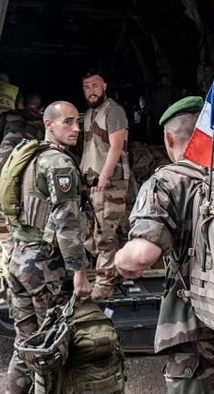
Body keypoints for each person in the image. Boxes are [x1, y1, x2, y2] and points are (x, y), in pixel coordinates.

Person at [114, 96, 214, 394]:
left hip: (196, 326)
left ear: (169, 138)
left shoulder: (166, 182)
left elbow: (142, 255)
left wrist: (119, 261)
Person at [5, 101, 92, 394]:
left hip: (19, 260)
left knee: (25, 345)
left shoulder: (27, 157)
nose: (76, 128)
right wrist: (79, 272)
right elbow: (67, 222)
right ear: (49, 124)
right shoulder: (58, 162)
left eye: (77, 122)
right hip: (45, 269)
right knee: (51, 350)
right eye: (68, 122)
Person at [80, 70, 131, 301]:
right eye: (87, 87)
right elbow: (88, 147)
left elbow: (116, 146)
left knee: (105, 235)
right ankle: (116, 273)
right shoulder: (90, 113)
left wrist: (104, 177)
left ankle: (103, 285)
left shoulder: (113, 111)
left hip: (109, 182)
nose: (91, 90)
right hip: (92, 181)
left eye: (95, 85)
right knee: (92, 233)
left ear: (105, 86)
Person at [0, 93, 45, 187]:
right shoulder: (44, 123)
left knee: (0, 192)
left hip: (3, 160)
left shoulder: (7, 115)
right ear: (41, 109)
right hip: (29, 163)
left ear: (23, 104)